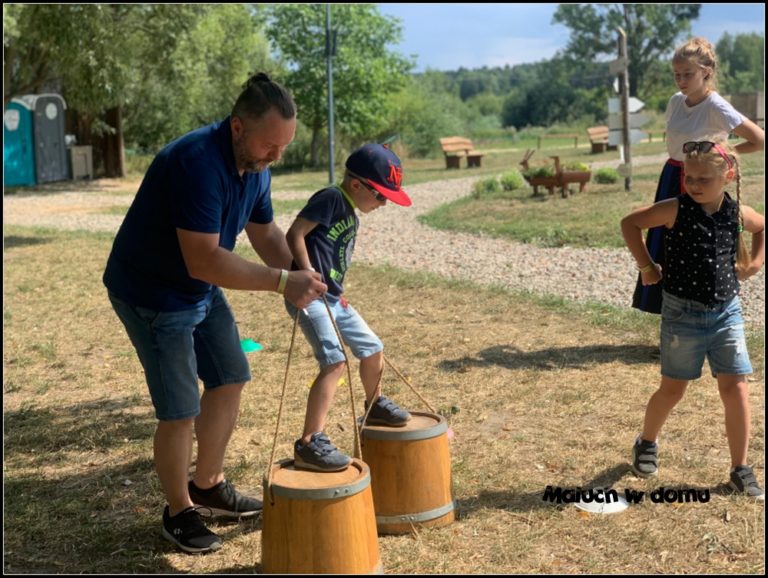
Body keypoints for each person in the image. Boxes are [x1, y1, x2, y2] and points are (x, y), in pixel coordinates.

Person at [103, 73, 328, 553]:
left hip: (197, 287)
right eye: (270, 145)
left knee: (230, 376)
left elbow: (265, 233)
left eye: (284, 146)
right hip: (153, 293)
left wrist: (303, 277)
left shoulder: (256, 165)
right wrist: (282, 283)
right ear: (237, 127)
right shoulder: (195, 163)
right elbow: (203, 259)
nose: (277, 156)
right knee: (180, 409)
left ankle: (207, 486)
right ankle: (179, 510)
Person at [621, 138, 765, 499]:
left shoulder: (737, 212)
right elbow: (630, 223)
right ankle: (646, 442)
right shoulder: (674, 208)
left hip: (726, 313)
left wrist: (755, 263)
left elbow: (762, 228)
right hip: (681, 315)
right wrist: (646, 266)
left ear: (728, 176)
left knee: (736, 388)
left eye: (704, 179)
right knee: (673, 389)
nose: (694, 185)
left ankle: (740, 468)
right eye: (690, 178)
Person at [284, 143, 413, 472]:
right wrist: (306, 273)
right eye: (381, 195)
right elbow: (295, 233)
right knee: (334, 362)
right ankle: (310, 442)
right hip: (310, 296)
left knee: (373, 348)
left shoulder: (350, 212)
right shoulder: (330, 198)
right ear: (357, 185)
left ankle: (375, 404)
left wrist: (336, 290)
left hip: (333, 299)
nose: (383, 203)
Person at [632, 36, 764, 314]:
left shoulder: (716, 106)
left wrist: (720, 155)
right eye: (676, 74)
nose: (681, 80)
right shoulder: (675, 101)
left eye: (688, 74)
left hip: (704, 179)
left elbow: (759, 140)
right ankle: (669, 311)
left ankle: (706, 311)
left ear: (706, 72)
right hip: (673, 174)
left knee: (697, 246)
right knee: (665, 242)